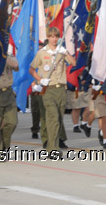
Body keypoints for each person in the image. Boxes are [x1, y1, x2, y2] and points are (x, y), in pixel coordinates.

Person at [29, 27, 75, 156]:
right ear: (48, 37)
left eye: (56, 37)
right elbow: (31, 69)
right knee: (53, 118)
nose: (54, 39)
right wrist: (40, 79)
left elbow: (73, 63)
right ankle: (53, 149)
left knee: (58, 119)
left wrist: (65, 52)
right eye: (52, 36)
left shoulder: (61, 52)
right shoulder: (42, 52)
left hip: (60, 89)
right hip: (48, 89)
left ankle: (51, 146)